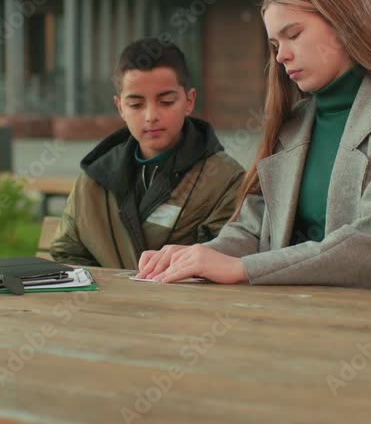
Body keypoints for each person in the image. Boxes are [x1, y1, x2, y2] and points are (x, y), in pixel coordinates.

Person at [136, 0, 371, 295]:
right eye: (275, 44)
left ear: (344, 25)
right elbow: (253, 231)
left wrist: (241, 269)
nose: (281, 56)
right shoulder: (294, 122)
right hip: (301, 312)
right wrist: (194, 257)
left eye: (293, 35)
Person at [49, 37, 246, 268]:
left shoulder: (226, 180)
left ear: (189, 101)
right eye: (136, 105)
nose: (151, 116)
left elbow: (228, 261)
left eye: (166, 101)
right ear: (120, 107)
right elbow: (68, 255)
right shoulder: (93, 180)